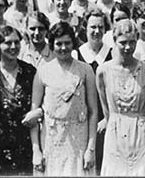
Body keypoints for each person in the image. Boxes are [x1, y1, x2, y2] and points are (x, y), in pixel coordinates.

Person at [33, 21, 101, 175]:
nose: (63, 48)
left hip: (79, 140)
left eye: (67, 43)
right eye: (59, 44)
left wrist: (90, 148)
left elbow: (93, 111)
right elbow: (34, 114)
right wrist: (36, 149)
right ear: (51, 45)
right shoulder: (43, 71)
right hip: (52, 140)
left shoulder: (85, 70)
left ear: (73, 43)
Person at [100, 18, 145, 175]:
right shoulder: (103, 71)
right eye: (123, 42)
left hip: (141, 133)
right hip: (115, 132)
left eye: (132, 42)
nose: (128, 47)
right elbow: (105, 107)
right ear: (114, 40)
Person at [0, 25, 36, 175]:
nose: (14, 47)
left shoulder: (30, 72)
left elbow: (41, 103)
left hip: (23, 144)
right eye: (8, 43)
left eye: (17, 42)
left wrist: (37, 112)